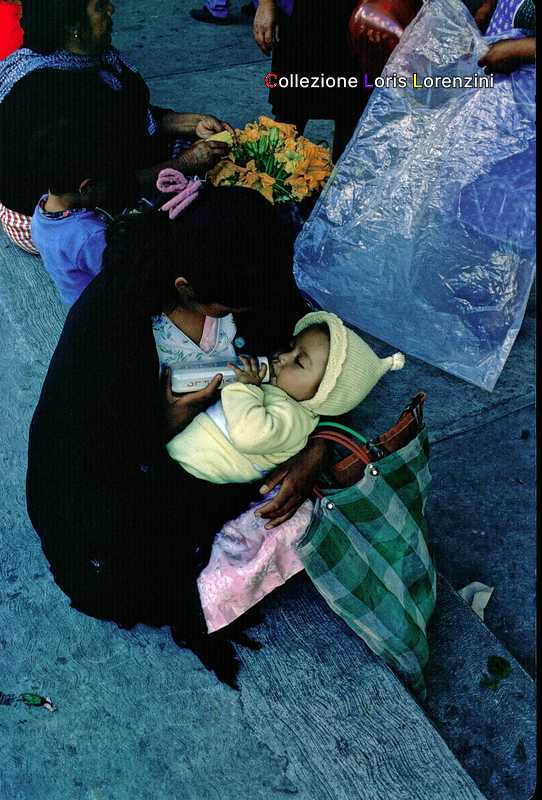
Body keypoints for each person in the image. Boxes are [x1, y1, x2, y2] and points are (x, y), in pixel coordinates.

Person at [26, 186, 329, 688]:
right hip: (128, 475)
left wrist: (316, 449)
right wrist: (165, 423)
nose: (241, 313)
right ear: (184, 286)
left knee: (314, 497)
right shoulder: (112, 320)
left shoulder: (252, 280)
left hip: (222, 445)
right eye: (224, 307)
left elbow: (322, 368)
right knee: (145, 563)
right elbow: (86, 453)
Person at [293, 0, 535, 391]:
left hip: (523, 92)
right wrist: (479, 24)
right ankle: (473, 288)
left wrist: (517, 50)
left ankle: (499, 308)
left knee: (513, 207)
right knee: (467, 187)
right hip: (499, 78)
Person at [0, 0, 233, 253]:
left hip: (93, 173)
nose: (111, 9)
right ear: (73, 26)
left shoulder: (87, 57)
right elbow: (105, 186)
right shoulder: (56, 94)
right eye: (100, 7)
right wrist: (185, 163)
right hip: (52, 215)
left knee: (208, 156)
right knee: (196, 207)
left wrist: (192, 122)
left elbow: (130, 114)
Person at [167, 311, 404, 483]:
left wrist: (244, 387)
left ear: (322, 393)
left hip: (197, 474)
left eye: (299, 362)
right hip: (184, 455)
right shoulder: (280, 390)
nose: (282, 357)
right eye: (291, 346)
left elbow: (248, 436)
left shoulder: (295, 419)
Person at [30, 118, 139, 305]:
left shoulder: (43, 206)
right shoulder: (89, 236)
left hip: (76, 298)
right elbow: (125, 275)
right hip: (105, 306)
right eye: (106, 181)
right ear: (87, 188)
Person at [253, 0, 366, 163]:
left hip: (358, 13)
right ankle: (273, 174)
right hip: (301, 16)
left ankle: (344, 176)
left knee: (353, 112)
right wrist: (266, 4)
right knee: (290, 111)